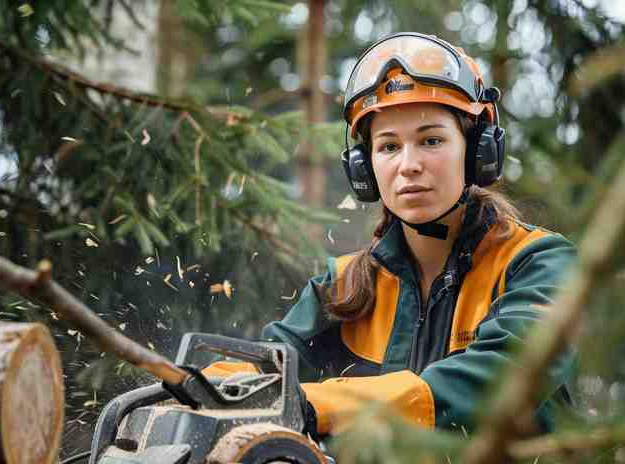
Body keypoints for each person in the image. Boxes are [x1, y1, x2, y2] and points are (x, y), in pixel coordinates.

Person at [206, 32, 576, 438]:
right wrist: (204, 386)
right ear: (364, 169)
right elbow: (268, 365)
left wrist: (319, 405)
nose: (408, 165)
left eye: (431, 140)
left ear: (477, 151)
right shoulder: (345, 284)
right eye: (388, 147)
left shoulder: (538, 263)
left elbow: (506, 376)